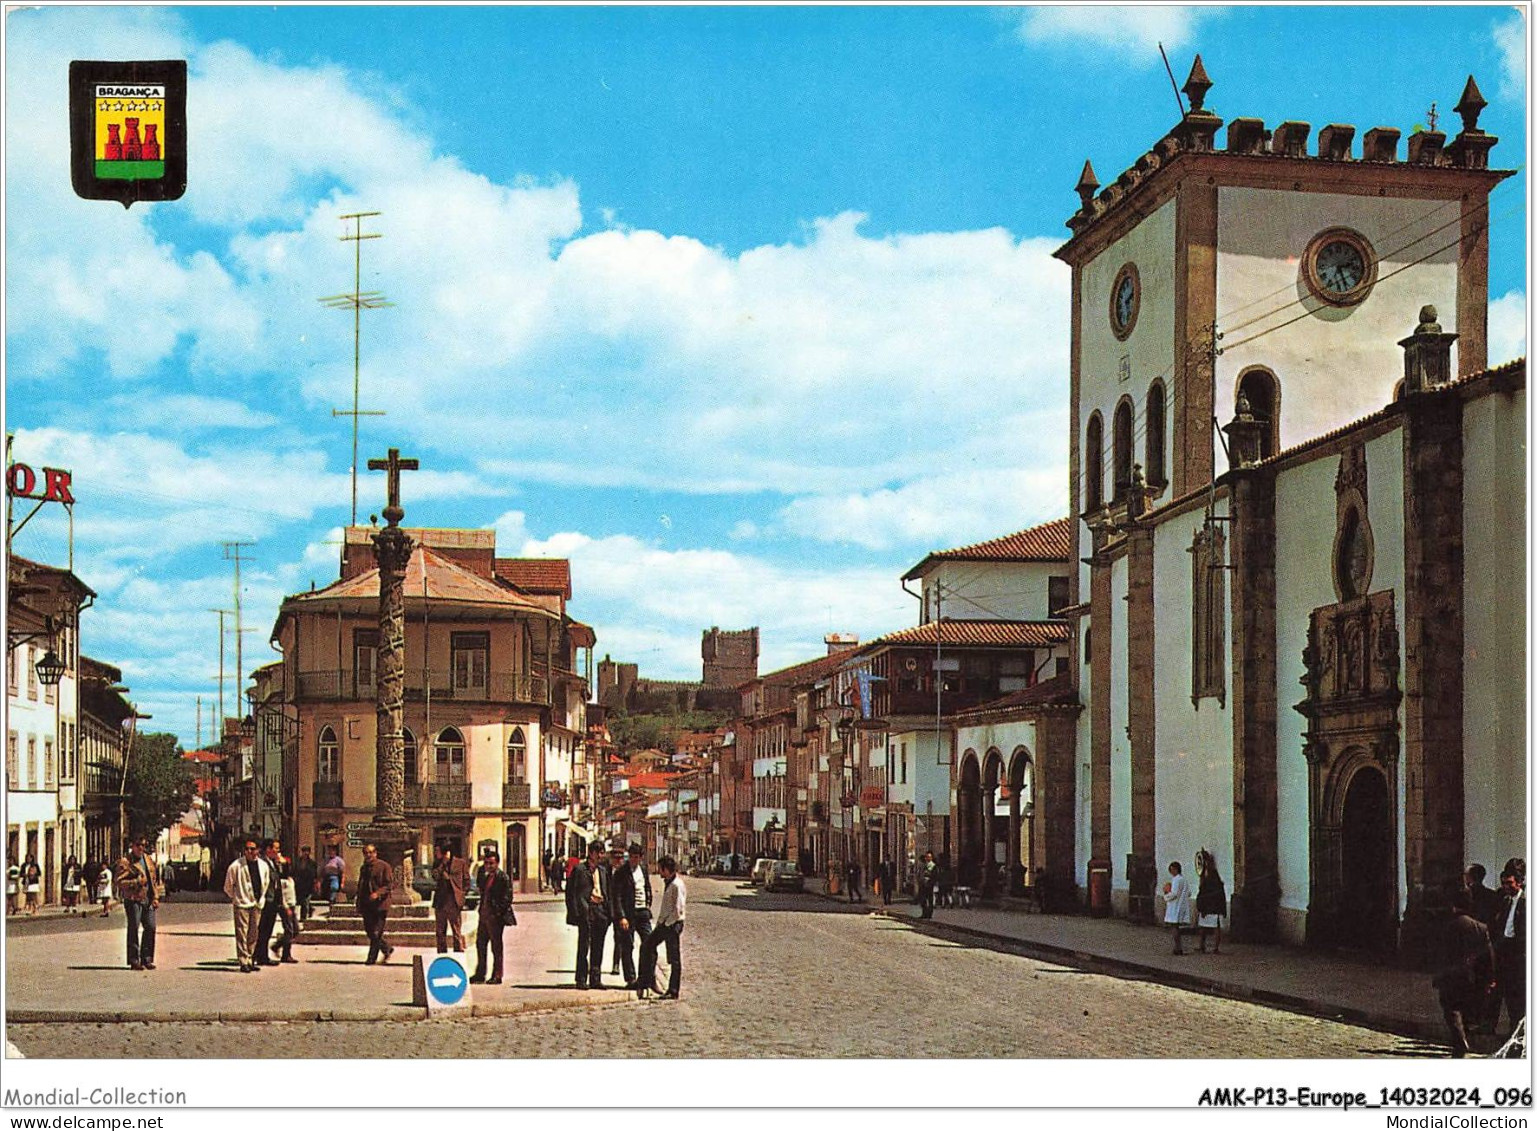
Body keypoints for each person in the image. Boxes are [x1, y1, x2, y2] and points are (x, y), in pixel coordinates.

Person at [1435, 889, 1495, 1057]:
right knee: (1467, 1008)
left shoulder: (1447, 926)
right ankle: (1464, 1036)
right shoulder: (1481, 928)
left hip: (1451, 976)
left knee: (1451, 1009)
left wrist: (1438, 975)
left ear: (1453, 906)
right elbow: (1488, 956)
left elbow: (1439, 954)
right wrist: (1489, 978)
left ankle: (1460, 1041)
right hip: (1472, 976)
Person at [637, 855, 687, 1000]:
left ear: (667, 869)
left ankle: (673, 990)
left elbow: (678, 910)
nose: (659, 872)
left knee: (674, 958)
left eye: (661, 869)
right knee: (647, 946)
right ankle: (647, 979)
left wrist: (666, 925)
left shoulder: (677, 885)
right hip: (665, 923)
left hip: (672, 925)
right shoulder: (669, 883)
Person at [565, 840, 611, 989]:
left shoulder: (603, 870)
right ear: (591, 853)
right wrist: (576, 912)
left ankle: (595, 979)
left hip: (601, 911)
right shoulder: (579, 870)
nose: (601, 856)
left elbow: (607, 890)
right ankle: (581, 978)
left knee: (598, 946)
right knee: (584, 946)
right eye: (599, 853)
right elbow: (571, 893)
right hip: (587, 911)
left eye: (602, 853)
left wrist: (608, 912)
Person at [113, 837, 162, 970]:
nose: (141, 848)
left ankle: (147, 958)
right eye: (138, 845)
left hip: (148, 899)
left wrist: (156, 897)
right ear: (132, 846)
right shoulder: (125, 862)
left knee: (151, 927)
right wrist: (136, 882)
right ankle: (134, 960)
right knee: (134, 928)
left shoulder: (147, 860)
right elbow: (119, 882)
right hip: (133, 899)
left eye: (143, 845)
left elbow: (153, 880)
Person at [610, 842, 654, 988]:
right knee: (627, 946)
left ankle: (647, 978)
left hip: (642, 912)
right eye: (632, 857)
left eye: (637, 857)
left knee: (649, 943)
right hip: (628, 913)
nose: (634, 860)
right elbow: (616, 896)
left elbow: (647, 888)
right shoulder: (621, 872)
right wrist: (621, 916)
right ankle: (631, 978)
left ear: (641, 858)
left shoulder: (644, 870)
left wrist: (648, 905)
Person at [223, 840, 269, 973]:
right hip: (241, 903)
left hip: (257, 902)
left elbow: (265, 882)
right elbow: (228, 886)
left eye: (253, 849)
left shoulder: (263, 865)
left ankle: (250, 958)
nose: (250, 851)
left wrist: (260, 898)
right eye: (247, 849)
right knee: (242, 932)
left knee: (253, 933)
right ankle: (243, 961)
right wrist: (236, 897)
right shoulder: (236, 866)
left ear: (258, 850)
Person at [1494, 858, 1526, 1037]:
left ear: (1520, 882)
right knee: (1507, 995)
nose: (1506, 886)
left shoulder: (1527, 902)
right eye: (1504, 883)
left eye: (1510, 883)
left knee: (1519, 998)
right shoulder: (1503, 899)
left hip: (1520, 955)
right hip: (1504, 952)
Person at [471, 849, 514, 985]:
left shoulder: (503, 877)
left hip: (495, 917)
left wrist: (498, 913)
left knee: (496, 947)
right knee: (480, 944)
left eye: (491, 863)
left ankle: (497, 974)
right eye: (486, 863)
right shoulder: (484, 876)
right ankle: (480, 973)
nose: (488, 866)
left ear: (497, 863)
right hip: (483, 916)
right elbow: (481, 890)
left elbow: (507, 897)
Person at [356, 843, 395, 965]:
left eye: (370, 852)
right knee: (369, 931)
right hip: (367, 904)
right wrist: (358, 902)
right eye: (366, 853)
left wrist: (378, 894)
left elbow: (389, 885)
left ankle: (371, 958)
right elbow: (361, 885)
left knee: (376, 932)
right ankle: (386, 948)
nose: (368, 855)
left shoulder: (384, 866)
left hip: (380, 905)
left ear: (375, 853)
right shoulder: (364, 868)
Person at [431, 842, 471, 953]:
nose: (436, 854)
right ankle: (442, 954)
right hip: (441, 901)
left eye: (438, 851)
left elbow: (467, 881)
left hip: (454, 901)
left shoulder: (460, 863)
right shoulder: (437, 864)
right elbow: (434, 876)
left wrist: (462, 894)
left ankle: (458, 952)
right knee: (440, 931)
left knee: (456, 930)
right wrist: (442, 865)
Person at [252, 839, 284, 967]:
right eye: (276, 848)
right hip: (266, 901)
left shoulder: (272, 862)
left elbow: (279, 879)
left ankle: (263, 956)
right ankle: (257, 955)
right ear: (268, 849)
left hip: (273, 901)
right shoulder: (262, 862)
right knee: (262, 930)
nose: (278, 851)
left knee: (267, 930)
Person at [1195, 849, 1227, 955]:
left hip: (1213, 906)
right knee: (1203, 928)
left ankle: (1215, 948)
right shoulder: (1206, 875)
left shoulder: (1213, 876)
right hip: (1208, 906)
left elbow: (1210, 892)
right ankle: (1202, 946)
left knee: (1215, 928)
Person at [1163, 860, 1193, 955]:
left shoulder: (1176, 880)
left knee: (1174, 926)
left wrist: (1166, 895)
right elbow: (1189, 893)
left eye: (1172, 870)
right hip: (1181, 905)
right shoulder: (1184, 879)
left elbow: (1174, 894)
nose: (1171, 872)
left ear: (1176, 869)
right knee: (1176, 927)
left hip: (1175, 906)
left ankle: (1178, 947)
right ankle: (1178, 947)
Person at [274, 856, 300, 963]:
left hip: (292, 905)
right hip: (285, 907)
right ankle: (286, 955)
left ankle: (277, 945)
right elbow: (281, 895)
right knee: (289, 930)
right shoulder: (282, 881)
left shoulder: (290, 879)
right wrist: (286, 907)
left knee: (296, 929)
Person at [292, 846, 319, 921]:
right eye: (304, 851)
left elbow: (315, 874)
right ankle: (310, 909)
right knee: (301, 900)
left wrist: (316, 883)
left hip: (308, 884)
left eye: (307, 851)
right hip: (299, 884)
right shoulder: (297, 862)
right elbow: (294, 871)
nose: (306, 853)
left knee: (305, 900)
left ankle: (303, 917)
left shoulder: (312, 863)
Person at [917, 851, 938, 919]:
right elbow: (920, 874)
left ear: (931, 858)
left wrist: (931, 882)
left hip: (929, 885)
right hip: (922, 885)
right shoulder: (924, 865)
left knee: (930, 900)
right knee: (922, 900)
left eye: (929, 857)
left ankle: (929, 914)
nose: (927, 858)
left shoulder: (933, 866)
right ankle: (924, 913)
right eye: (926, 857)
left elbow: (934, 876)